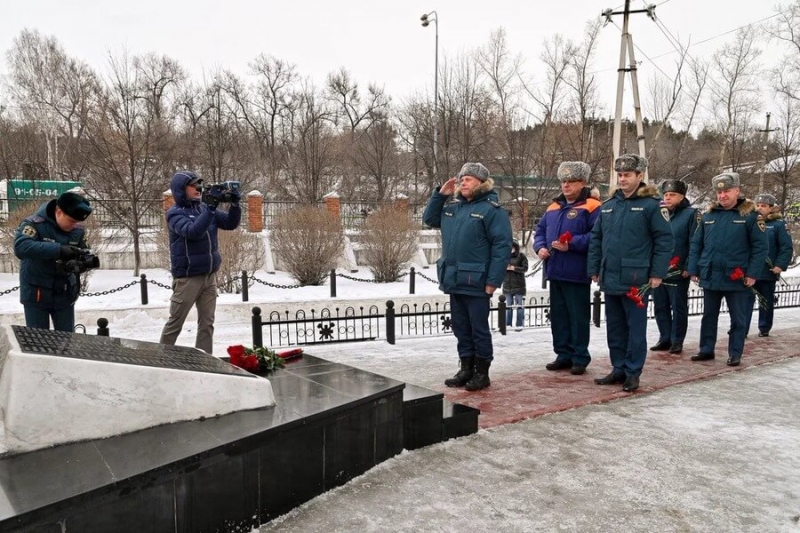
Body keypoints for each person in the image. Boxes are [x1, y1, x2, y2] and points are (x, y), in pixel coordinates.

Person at [423, 162, 512, 391]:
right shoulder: (453, 208)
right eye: (462, 179)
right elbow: (430, 219)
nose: (463, 182)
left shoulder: (492, 210)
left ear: (481, 183)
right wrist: (440, 195)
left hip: (478, 282)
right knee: (460, 327)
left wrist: (493, 281)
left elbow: (502, 248)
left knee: (478, 329)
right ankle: (466, 368)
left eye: (469, 179)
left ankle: (482, 372)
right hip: (454, 280)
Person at [587, 154, 673, 392]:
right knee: (615, 327)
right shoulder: (609, 206)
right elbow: (597, 238)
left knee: (635, 328)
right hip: (610, 275)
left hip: (637, 279)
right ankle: (618, 368)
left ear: (639, 176)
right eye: (620, 175)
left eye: (627, 175)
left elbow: (664, 241)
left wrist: (658, 273)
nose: (622, 179)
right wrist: (594, 268)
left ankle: (633, 372)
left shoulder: (653, 206)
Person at [687, 172, 768, 367]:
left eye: (727, 191)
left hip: (736, 276)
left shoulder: (750, 217)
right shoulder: (708, 216)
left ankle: (735, 352)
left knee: (738, 318)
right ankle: (706, 349)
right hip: (711, 274)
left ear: (737, 191)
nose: (722, 195)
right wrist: (693, 269)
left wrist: (752, 274)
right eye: (719, 192)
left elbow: (760, 248)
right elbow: (697, 244)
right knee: (708, 316)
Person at [159, 171, 241, 354]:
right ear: (181, 189)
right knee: (175, 323)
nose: (198, 188)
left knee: (207, 324)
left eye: (200, 184)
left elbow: (229, 223)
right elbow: (193, 232)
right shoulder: (174, 214)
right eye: (193, 185)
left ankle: (205, 361)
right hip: (188, 278)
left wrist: (235, 204)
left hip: (209, 276)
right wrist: (211, 209)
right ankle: (161, 360)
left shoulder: (204, 208)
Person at [533, 161, 601, 375]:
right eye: (563, 181)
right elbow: (540, 231)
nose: (566, 186)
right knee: (560, 316)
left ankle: (580, 357)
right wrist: (540, 248)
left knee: (577, 316)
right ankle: (563, 354)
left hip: (577, 270)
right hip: (555, 270)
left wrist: (571, 244)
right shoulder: (553, 207)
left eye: (571, 181)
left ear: (582, 182)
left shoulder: (592, 206)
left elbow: (596, 236)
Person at [14, 191, 94, 332]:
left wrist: (83, 263)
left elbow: (83, 250)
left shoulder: (77, 231)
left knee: (66, 341)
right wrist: (59, 250)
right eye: (71, 221)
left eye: (77, 222)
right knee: (38, 342)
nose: (74, 225)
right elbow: (21, 247)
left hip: (64, 293)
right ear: (59, 212)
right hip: (37, 292)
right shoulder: (34, 224)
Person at [650, 180, 699, 355]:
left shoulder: (691, 214)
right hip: (659, 269)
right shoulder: (659, 213)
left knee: (678, 307)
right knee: (660, 306)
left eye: (672, 195)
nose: (668, 198)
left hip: (679, 269)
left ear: (682, 196)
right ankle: (665, 337)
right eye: (666, 194)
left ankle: (677, 340)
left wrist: (689, 266)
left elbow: (695, 242)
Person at [744, 193, 793, 338]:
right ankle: (742, 328)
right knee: (745, 301)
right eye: (757, 205)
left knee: (765, 301)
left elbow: (786, 247)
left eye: (763, 206)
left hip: (768, 270)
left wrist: (780, 265)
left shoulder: (778, 225)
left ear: (771, 208)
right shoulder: (750, 222)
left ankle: (764, 327)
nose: (759, 208)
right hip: (750, 269)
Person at [502, 239, 528, 331]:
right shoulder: (504, 256)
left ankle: (519, 325)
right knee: (508, 307)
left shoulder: (521, 256)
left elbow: (525, 268)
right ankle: (508, 325)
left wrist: (514, 268)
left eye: (513, 247)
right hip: (507, 285)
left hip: (519, 285)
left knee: (519, 306)